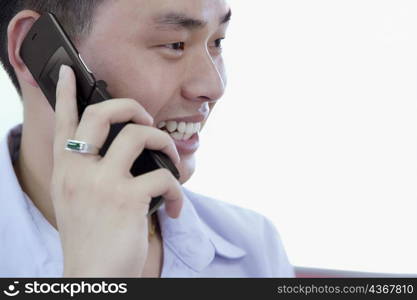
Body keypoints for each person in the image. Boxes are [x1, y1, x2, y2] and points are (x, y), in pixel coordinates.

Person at [0, 0, 294, 277]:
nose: (214, 86)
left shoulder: (256, 250)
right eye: (174, 44)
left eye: (217, 42)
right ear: (31, 47)